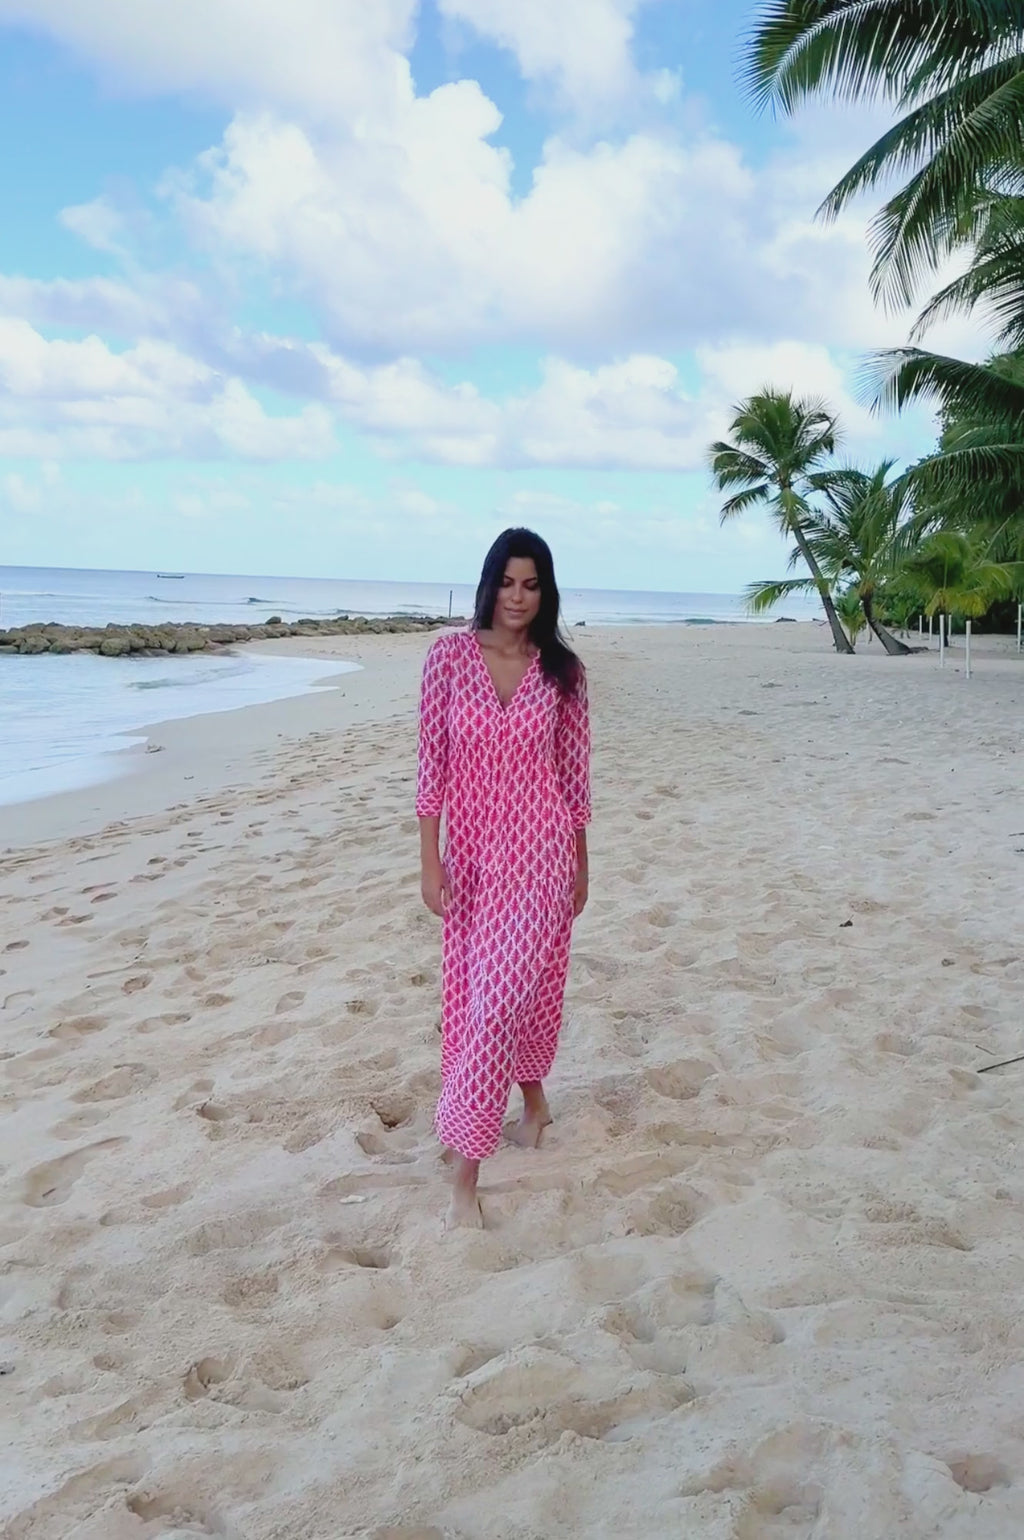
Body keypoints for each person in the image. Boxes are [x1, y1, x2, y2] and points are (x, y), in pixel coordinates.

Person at [416, 528, 591, 1229]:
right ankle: (535, 1106)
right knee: (486, 1000)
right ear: (490, 584)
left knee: (495, 1008)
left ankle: (465, 1180)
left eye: (532, 585)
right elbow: (431, 765)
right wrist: (429, 858)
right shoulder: (449, 658)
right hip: (472, 864)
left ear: (546, 593)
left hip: (542, 859)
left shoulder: (562, 673)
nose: (518, 597)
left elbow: (573, 779)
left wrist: (581, 864)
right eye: (509, 583)